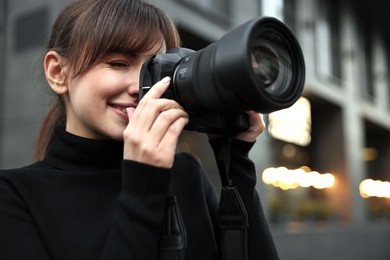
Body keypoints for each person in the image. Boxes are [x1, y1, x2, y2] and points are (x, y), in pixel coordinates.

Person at [0, 0, 279, 259]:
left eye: (154, 68)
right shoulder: (15, 195)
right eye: (118, 64)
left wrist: (236, 165)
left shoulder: (186, 173)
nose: (140, 86)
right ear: (57, 73)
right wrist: (144, 188)